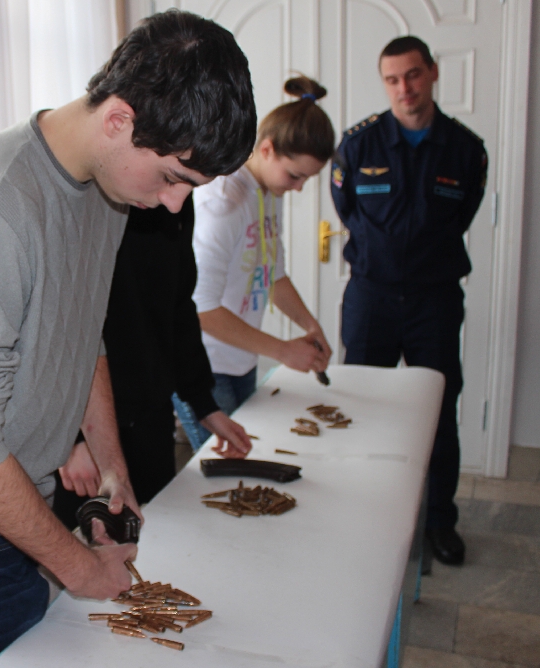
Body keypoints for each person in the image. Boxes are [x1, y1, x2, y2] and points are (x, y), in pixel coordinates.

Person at [0, 10, 257, 666]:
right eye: (173, 178)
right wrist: (79, 568)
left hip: (19, 493)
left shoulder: (106, 188)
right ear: (119, 120)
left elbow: (83, 335)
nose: (174, 205)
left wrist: (111, 464)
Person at [330, 36, 487, 567]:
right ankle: (360, 512)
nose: (405, 88)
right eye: (393, 79)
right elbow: (348, 210)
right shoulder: (359, 145)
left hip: (433, 300)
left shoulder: (466, 150)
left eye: (413, 75)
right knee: (362, 407)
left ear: (433, 73)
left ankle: (439, 521)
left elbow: (462, 215)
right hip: (371, 297)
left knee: (437, 410)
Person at [53, 195, 254, 527]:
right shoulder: (83, 196)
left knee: (160, 534)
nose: (177, 198)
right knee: (85, 545)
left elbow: (179, 306)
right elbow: (56, 326)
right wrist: (70, 441)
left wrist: (204, 404)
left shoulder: (177, 201)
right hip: (84, 428)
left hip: (151, 416)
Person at [174, 77, 335, 449]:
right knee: (226, 467)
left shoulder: (269, 191)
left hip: (241, 360)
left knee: (244, 458)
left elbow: (274, 275)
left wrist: (310, 325)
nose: (298, 188)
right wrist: (282, 350)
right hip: (203, 367)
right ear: (266, 149)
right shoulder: (224, 203)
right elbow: (201, 308)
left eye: (307, 179)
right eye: (295, 176)